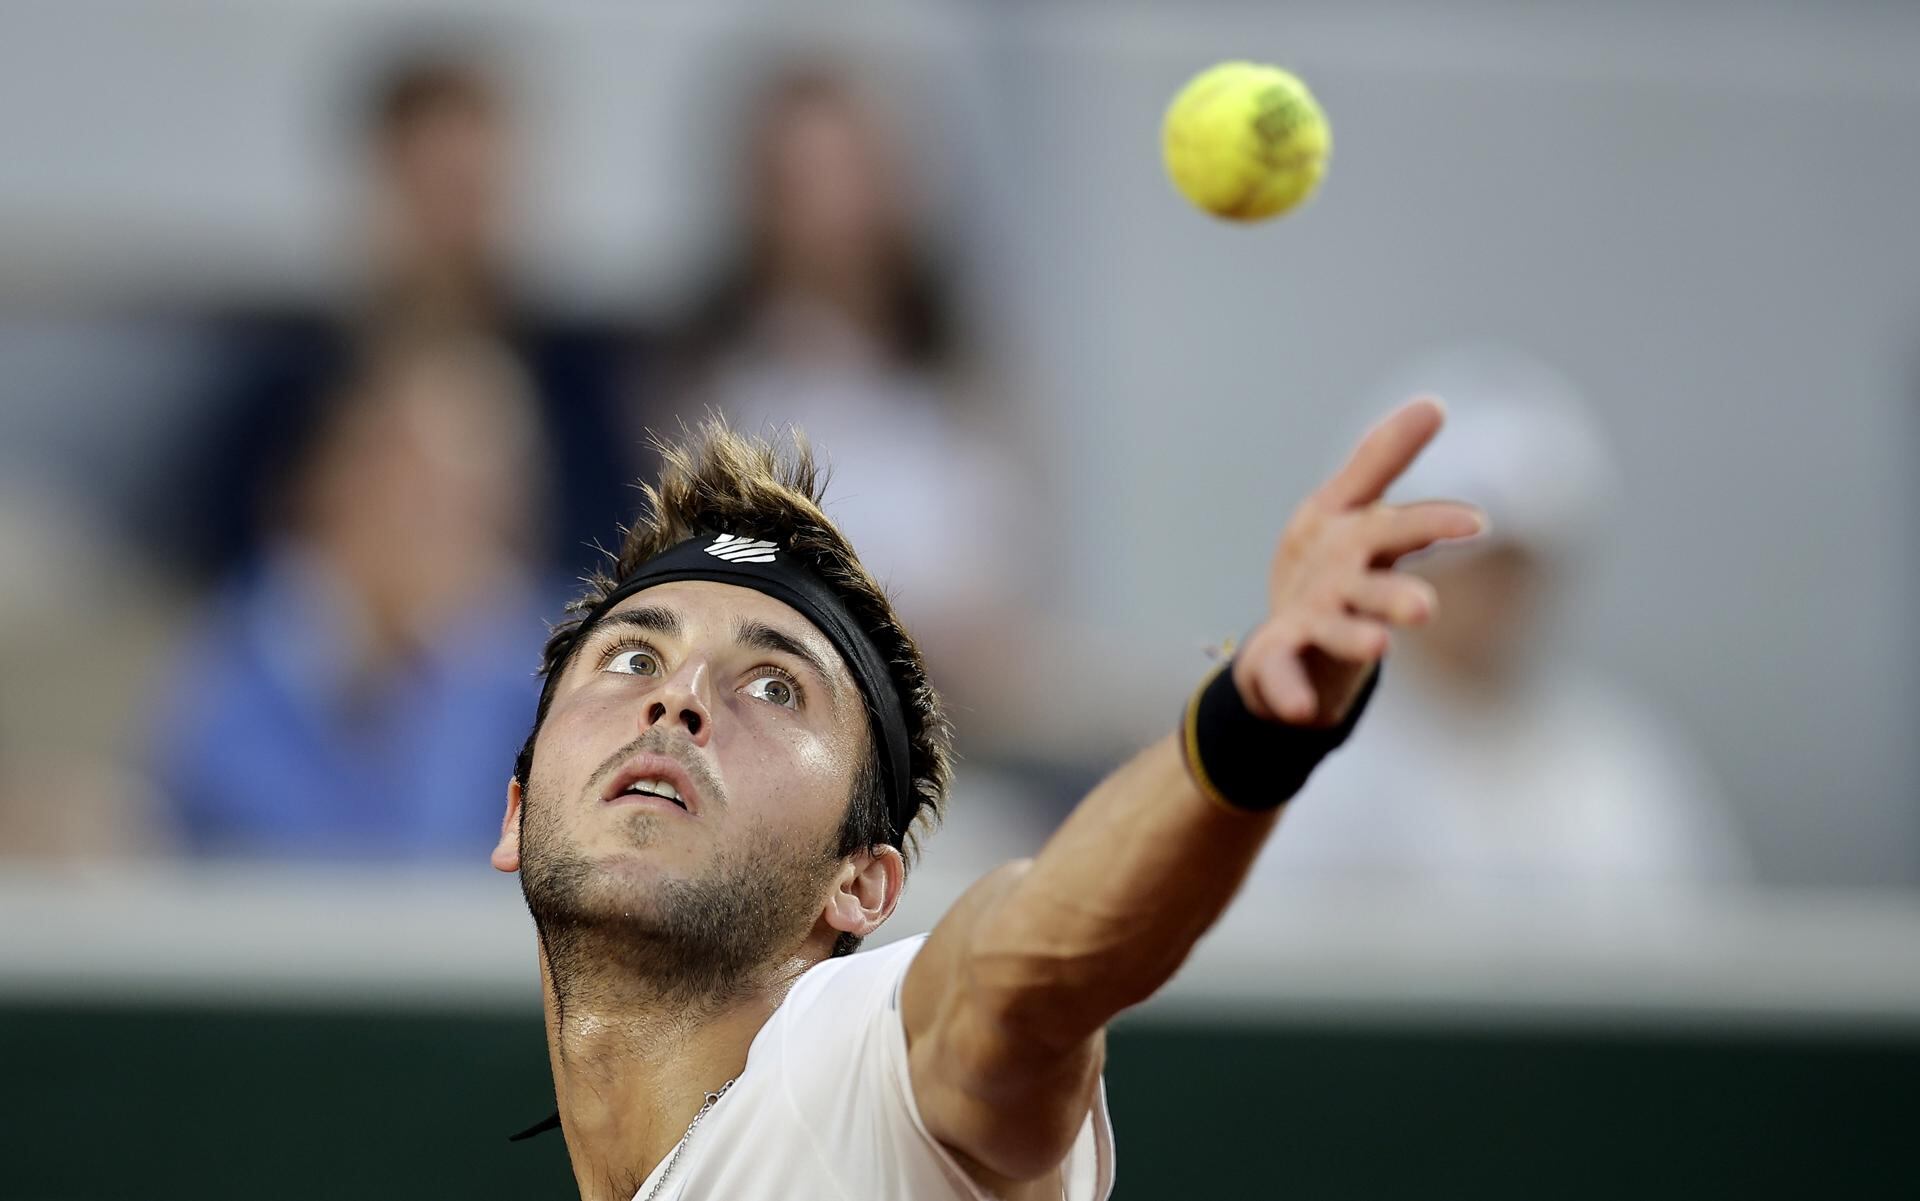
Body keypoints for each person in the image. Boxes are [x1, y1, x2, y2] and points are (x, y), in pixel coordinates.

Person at [490, 399, 1484, 1199]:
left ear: (862, 886)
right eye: (631, 656)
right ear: (517, 810)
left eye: (775, 684)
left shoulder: (848, 1069)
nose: (678, 696)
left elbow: (1019, 977)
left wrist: (1244, 736)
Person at [1258, 346, 1747, 892]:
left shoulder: (1621, 775)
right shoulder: (1307, 771)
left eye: (1521, 562)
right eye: (1474, 559)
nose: (1498, 592)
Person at [155, 330, 551, 857]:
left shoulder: (553, 667)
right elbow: (209, 825)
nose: (434, 520)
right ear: (333, 479)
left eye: (471, 495)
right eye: (411, 480)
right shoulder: (234, 661)